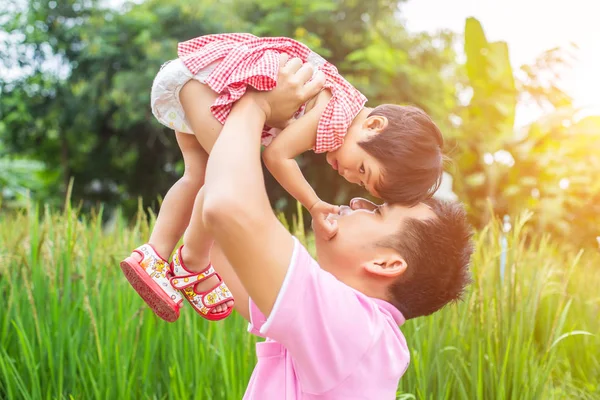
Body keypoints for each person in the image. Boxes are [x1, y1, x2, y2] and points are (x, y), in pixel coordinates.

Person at [192, 63, 474, 398]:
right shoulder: (352, 332)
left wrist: (257, 105)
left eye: (378, 210)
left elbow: (227, 209)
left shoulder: (355, 330)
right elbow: (216, 251)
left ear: (385, 263)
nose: (356, 201)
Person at [120, 33, 445, 322]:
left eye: (360, 181)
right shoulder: (333, 106)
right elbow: (277, 155)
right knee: (227, 172)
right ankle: (191, 261)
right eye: (362, 169)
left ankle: (152, 253)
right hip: (212, 85)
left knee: (199, 174)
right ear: (373, 127)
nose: (347, 175)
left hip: (200, 82)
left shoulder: (343, 101)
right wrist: (314, 203)